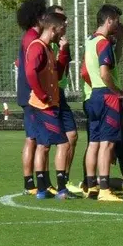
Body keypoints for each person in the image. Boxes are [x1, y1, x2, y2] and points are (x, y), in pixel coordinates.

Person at [25, 12, 74, 199]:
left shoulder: (48, 48)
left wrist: (64, 51)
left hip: (42, 104)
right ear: (54, 28)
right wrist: (42, 95)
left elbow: (59, 73)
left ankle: (42, 190)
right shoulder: (37, 47)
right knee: (63, 144)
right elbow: (30, 73)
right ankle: (62, 190)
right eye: (63, 28)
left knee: (43, 145)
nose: (64, 32)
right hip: (44, 106)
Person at [81, 4, 123, 202]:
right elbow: (104, 72)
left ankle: (91, 186)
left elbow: (84, 72)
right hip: (107, 96)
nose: (118, 24)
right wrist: (116, 92)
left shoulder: (91, 41)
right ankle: (105, 188)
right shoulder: (103, 43)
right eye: (116, 20)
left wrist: (96, 89)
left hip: (94, 96)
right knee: (107, 144)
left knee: (94, 143)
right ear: (109, 20)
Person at [45, 5, 83, 195]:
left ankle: (64, 180)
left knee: (72, 137)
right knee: (43, 143)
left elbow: (62, 71)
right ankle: (43, 183)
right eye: (61, 20)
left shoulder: (61, 42)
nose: (64, 23)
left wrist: (65, 50)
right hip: (47, 95)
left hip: (61, 93)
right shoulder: (44, 43)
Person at [16, 0, 47, 195]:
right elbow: (30, 69)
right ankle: (30, 183)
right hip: (30, 95)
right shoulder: (31, 39)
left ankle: (34, 181)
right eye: (43, 14)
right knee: (32, 139)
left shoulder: (30, 36)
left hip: (29, 94)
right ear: (37, 17)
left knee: (34, 138)